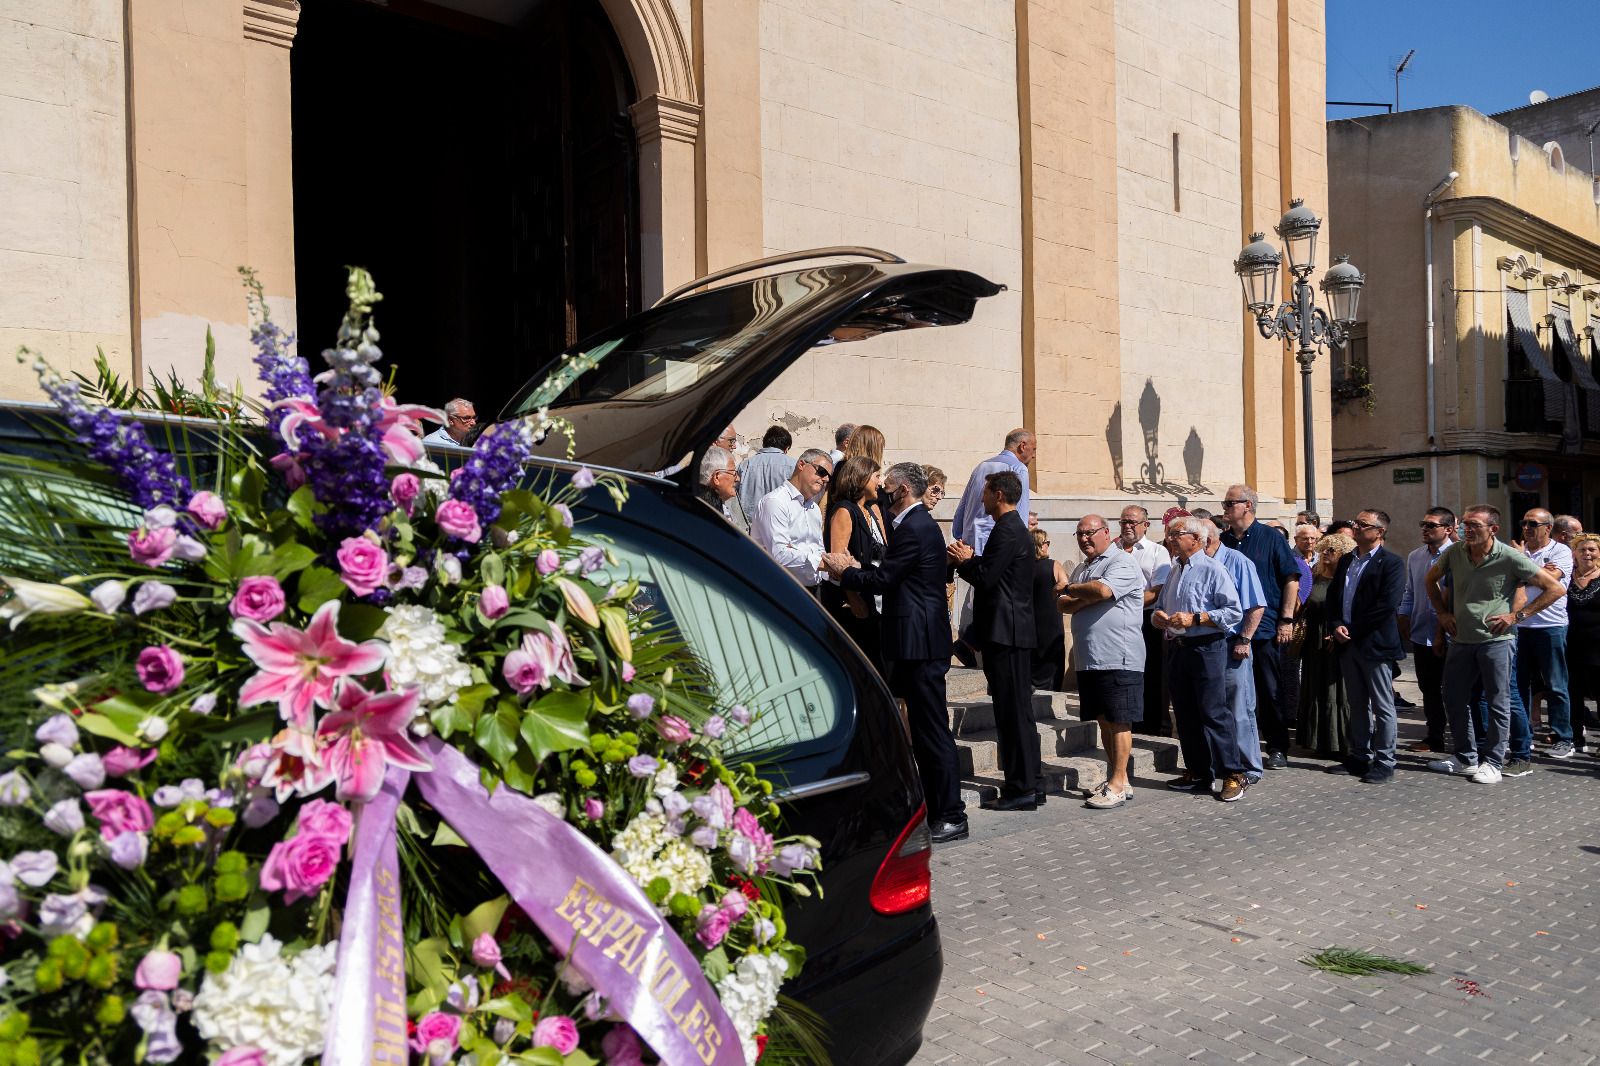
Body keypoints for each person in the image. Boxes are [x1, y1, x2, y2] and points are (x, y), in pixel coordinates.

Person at [821, 463, 967, 842]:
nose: (881, 493)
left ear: (901, 490)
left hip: (921, 644)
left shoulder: (916, 528)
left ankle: (951, 813)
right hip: (914, 642)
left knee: (933, 731)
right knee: (922, 728)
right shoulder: (915, 525)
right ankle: (936, 809)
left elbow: (886, 579)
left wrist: (845, 572)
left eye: (886, 488)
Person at [1426, 505, 1566, 783]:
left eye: (1475, 525)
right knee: (1453, 697)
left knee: (1498, 700)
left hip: (1497, 641)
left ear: (1493, 529)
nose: (1468, 530)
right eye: (1465, 524)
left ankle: (1493, 761)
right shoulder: (1455, 552)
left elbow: (1556, 588)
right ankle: (1465, 757)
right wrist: (1442, 614)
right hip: (1462, 639)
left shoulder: (1510, 556)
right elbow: (1430, 580)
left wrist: (1518, 616)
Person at [948, 471, 1038, 811]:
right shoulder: (1012, 528)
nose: (981, 499)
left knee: (1012, 713)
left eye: (985, 493)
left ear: (998, 494)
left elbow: (987, 578)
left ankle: (1020, 789)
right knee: (1018, 712)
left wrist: (964, 561)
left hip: (1008, 633)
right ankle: (1031, 782)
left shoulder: (1007, 529)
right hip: (1009, 632)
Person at [1153, 515, 1244, 796]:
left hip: (1207, 647)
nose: (1170, 538)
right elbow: (1161, 604)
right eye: (1169, 534)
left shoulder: (1213, 569)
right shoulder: (1174, 569)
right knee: (1185, 713)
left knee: (1214, 712)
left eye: (1176, 533)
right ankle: (1199, 771)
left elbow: (1233, 612)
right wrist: (1159, 616)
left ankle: (1233, 774)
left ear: (1196, 539)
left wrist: (1196, 618)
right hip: (1179, 649)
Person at [1059, 515, 1145, 809]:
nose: (1084, 538)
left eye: (1090, 533)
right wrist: (1082, 594)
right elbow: (1061, 603)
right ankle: (1118, 779)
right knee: (1104, 720)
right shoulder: (1085, 568)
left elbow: (1103, 591)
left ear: (1106, 533)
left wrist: (1075, 590)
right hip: (1091, 658)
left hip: (1118, 655)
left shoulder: (1120, 561)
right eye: (1079, 534)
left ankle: (1118, 784)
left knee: (1119, 720)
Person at [1219, 484, 1301, 770]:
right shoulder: (1222, 540)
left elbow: (1291, 578)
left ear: (1248, 506)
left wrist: (1286, 619)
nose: (1225, 508)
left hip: (1265, 627)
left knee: (1268, 689)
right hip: (1230, 629)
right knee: (1234, 693)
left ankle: (1277, 747)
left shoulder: (1270, 538)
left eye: (1229, 503)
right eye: (1225, 504)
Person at [1327, 510, 1406, 784]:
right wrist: (1336, 624)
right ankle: (1359, 756)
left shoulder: (1392, 563)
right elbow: (1335, 596)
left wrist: (1353, 630)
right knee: (1357, 703)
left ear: (1379, 532)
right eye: (1355, 523)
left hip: (1375, 644)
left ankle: (1385, 761)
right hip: (1347, 643)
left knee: (1382, 706)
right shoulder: (1348, 559)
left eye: (1363, 524)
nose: (1356, 527)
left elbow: (1386, 605)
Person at [951, 429, 1036, 663]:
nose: (1034, 455)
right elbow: (1019, 515)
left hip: (970, 544)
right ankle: (971, 642)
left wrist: (962, 538)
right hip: (1001, 547)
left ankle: (971, 641)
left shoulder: (981, 467)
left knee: (978, 601)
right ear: (1022, 446)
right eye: (1033, 449)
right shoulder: (1019, 469)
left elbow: (960, 512)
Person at [1197, 518, 1267, 798]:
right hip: (1205, 646)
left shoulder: (1237, 561)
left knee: (1239, 706)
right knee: (1214, 708)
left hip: (1232, 643)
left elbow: (1256, 605)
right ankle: (1219, 764)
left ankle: (1250, 767)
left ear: (1207, 538)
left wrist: (1245, 639)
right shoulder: (1196, 563)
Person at [1514, 508, 1574, 758]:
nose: (1526, 528)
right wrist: (1537, 572)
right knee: (1519, 685)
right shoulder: (1517, 549)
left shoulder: (1560, 551)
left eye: (1532, 524)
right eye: (1524, 523)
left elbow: (1552, 580)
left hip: (1551, 626)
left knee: (1556, 684)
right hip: (1519, 627)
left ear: (1548, 528)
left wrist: (1522, 569)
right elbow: (1513, 580)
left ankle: (1563, 738)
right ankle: (1523, 735)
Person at [1397, 507, 1455, 754]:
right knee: (1429, 689)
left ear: (1448, 529)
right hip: (1422, 634)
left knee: (1455, 690)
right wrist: (1403, 620)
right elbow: (1410, 592)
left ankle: (1465, 740)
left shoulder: (1458, 555)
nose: (1425, 529)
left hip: (1454, 634)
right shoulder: (1416, 556)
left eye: (1431, 525)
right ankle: (1434, 737)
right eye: (1423, 524)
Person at [822, 456, 888, 671]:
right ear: (861, 478)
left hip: (871, 598)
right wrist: (853, 598)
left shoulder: (868, 510)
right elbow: (837, 561)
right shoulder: (845, 510)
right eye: (877, 476)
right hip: (853, 603)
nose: (881, 482)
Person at [1297, 532, 1354, 758]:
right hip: (1314, 640)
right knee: (1314, 687)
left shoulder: (1347, 580)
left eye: (1332, 550)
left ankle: (1341, 742)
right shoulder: (1315, 575)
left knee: (1337, 691)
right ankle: (1319, 741)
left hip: (1337, 638)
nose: (1326, 553)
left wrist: (1338, 631)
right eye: (1324, 549)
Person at [1119, 505, 1173, 737]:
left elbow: (1159, 589)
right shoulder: (1114, 549)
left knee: (1152, 670)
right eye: (1124, 522)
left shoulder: (1156, 551)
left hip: (1146, 617)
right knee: (1127, 670)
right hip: (1119, 619)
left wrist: (1129, 605)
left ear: (1145, 525)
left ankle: (1157, 723)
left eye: (1132, 522)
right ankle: (1132, 717)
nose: (1128, 526)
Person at [751, 449, 832, 597]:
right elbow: (780, 554)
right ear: (801, 464)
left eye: (829, 477)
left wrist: (833, 564)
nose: (825, 479)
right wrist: (822, 563)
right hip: (781, 590)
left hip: (813, 590)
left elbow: (817, 549)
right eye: (821, 472)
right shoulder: (776, 501)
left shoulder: (814, 508)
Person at [1565, 533, 1599, 753]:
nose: (1587, 553)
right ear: (1574, 554)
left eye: (1592, 550)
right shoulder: (1565, 576)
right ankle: (1576, 737)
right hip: (1570, 645)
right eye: (1582, 550)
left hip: (1598, 647)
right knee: (1572, 693)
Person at [1029, 528, 1068, 691]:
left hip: (1030, 619)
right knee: (1052, 658)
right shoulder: (1054, 565)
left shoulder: (1023, 567)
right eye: (1047, 543)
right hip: (1051, 618)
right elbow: (1065, 586)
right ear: (1041, 545)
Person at [737, 426, 796, 518]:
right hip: (782, 524)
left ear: (764, 444)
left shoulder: (744, 465)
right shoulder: (794, 466)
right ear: (787, 448)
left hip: (749, 527)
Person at [695, 446, 746, 531]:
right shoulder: (706, 514)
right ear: (717, 477)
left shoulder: (717, 505)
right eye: (733, 473)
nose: (738, 478)